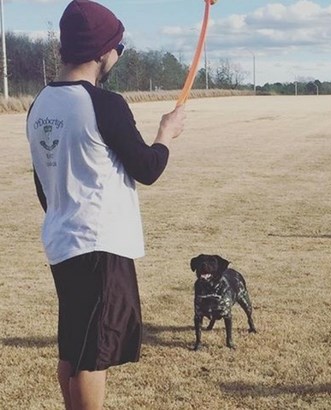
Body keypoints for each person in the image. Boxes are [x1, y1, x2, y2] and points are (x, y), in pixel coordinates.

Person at [25, 1, 186, 408]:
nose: (118, 53)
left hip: (63, 242)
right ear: (101, 52)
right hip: (98, 246)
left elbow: (44, 184)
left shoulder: (39, 105)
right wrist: (166, 133)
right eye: (118, 46)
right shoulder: (103, 103)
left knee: (73, 349)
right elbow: (147, 168)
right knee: (91, 357)